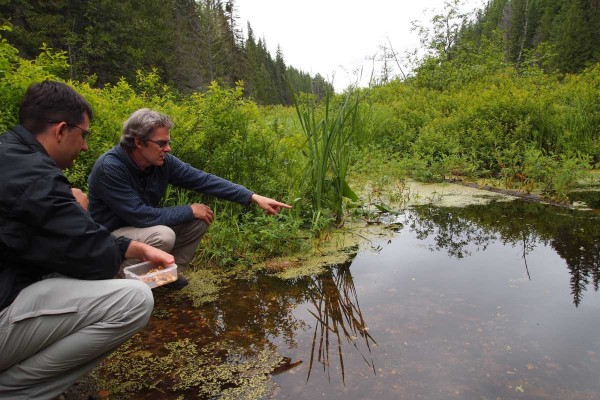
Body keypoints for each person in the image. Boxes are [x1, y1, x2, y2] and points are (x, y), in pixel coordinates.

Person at [0, 81, 175, 400]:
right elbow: (92, 259)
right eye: (84, 135)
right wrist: (79, 210)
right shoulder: (38, 177)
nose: (84, 146)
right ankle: (15, 390)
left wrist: (132, 248)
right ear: (61, 130)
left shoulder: (11, 157)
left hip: (12, 282)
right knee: (134, 300)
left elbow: (56, 244)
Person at [87, 108, 291, 289]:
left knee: (199, 220)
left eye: (168, 142)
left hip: (139, 230)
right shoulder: (110, 168)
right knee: (163, 235)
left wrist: (252, 197)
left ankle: (166, 274)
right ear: (138, 142)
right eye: (161, 143)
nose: (168, 148)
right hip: (109, 237)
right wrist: (189, 209)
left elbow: (203, 180)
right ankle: (123, 284)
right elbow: (140, 215)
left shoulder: (162, 161)